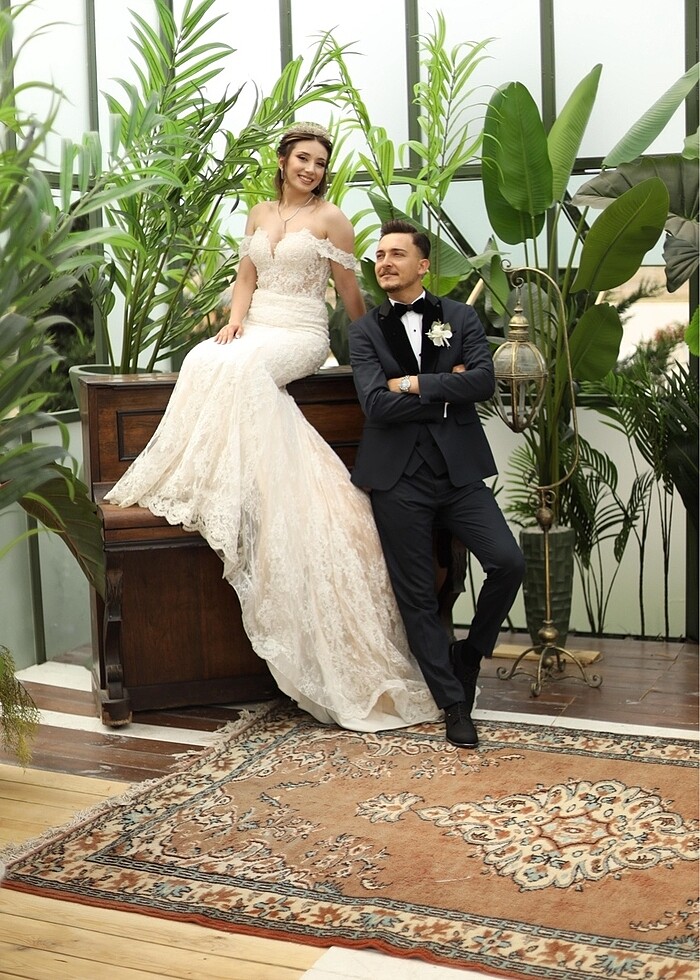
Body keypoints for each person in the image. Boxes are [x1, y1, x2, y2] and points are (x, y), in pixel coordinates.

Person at [105, 124, 441, 733]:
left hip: (300, 334)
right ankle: (213, 473)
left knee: (249, 371)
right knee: (206, 357)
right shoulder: (260, 212)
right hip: (256, 325)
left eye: (320, 162)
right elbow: (245, 277)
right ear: (283, 161)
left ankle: (263, 480)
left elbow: (350, 293)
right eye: (302, 158)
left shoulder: (333, 220)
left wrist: (376, 352)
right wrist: (234, 321)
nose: (311, 169)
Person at [349, 219, 525, 748]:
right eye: (380, 255)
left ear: (423, 265)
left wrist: (413, 383)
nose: (384, 262)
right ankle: (453, 704)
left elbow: (484, 382)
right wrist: (447, 392)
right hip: (396, 478)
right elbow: (375, 404)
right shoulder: (364, 331)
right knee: (418, 596)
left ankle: (469, 654)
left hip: (458, 473)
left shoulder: (460, 317)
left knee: (508, 562)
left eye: (396, 254)